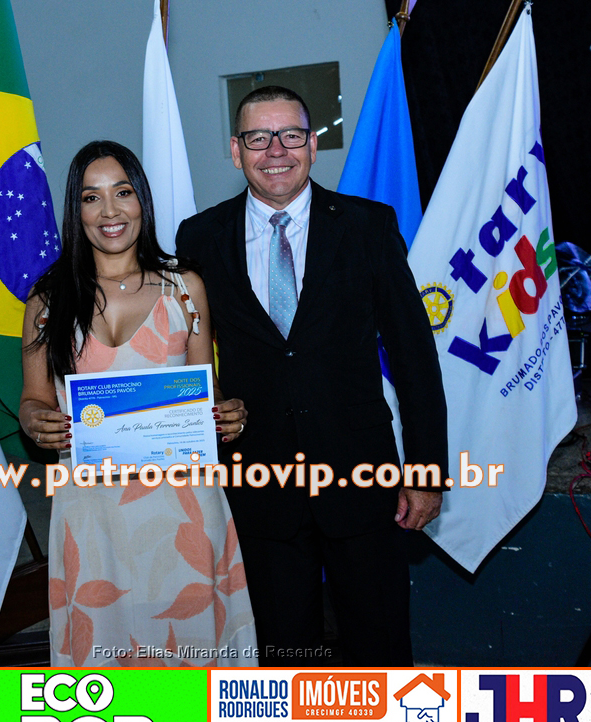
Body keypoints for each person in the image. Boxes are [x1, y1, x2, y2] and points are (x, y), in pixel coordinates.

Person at [176, 86, 448, 666]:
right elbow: (187, 353)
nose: (276, 150)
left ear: (313, 145)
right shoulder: (198, 238)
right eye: (258, 137)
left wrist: (427, 473)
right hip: (259, 489)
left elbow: (415, 358)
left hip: (363, 483)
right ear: (235, 150)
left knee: (380, 649)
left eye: (291, 135)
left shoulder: (368, 226)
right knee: (283, 655)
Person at [20, 140, 257, 667]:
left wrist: (227, 412)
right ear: (76, 209)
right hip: (92, 505)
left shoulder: (184, 287)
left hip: (183, 503)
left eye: (122, 192)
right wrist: (38, 422)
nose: (110, 211)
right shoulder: (48, 299)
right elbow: (33, 399)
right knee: (103, 649)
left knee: (192, 643)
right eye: (92, 197)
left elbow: (207, 387)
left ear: (142, 201)